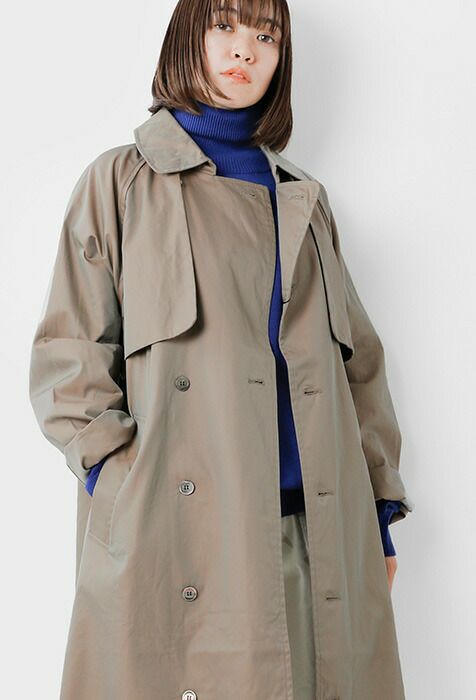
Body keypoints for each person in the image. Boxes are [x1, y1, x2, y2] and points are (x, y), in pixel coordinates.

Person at [29, 1, 414, 698]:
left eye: (266, 35)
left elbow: (358, 365)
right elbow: (70, 353)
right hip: (179, 536)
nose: (245, 50)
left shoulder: (304, 199)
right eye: (226, 26)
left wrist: (378, 516)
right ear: (188, 37)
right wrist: (117, 481)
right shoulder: (121, 182)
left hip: (316, 536)